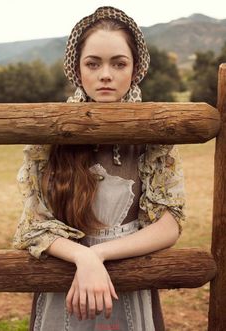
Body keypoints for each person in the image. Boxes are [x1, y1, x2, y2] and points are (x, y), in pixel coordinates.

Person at [13, 6, 185, 331]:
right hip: (66, 280)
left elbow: (169, 222)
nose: (105, 74)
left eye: (118, 63)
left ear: (135, 69)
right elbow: (32, 225)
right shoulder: (48, 133)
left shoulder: (155, 133)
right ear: (77, 70)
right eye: (93, 63)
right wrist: (82, 257)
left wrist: (99, 254)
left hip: (127, 276)